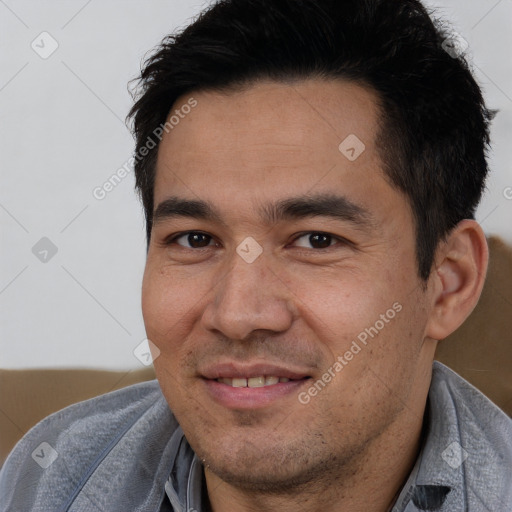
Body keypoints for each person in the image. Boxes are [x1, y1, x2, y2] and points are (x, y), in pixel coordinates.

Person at [1, 0, 511, 510]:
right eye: (195, 239)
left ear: (449, 282)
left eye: (317, 240)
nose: (238, 315)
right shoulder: (56, 478)